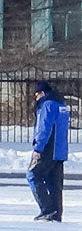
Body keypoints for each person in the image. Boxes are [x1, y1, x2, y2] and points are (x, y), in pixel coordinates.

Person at [27, 80, 70, 222]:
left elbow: (44, 128)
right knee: (54, 182)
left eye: (37, 94)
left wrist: (38, 148)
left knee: (33, 175)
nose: (36, 98)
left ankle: (47, 210)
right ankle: (56, 213)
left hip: (47, 149)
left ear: (43, 93)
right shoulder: (62, 105)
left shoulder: (47, 105)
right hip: (60, 151)